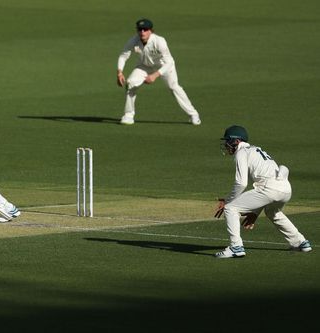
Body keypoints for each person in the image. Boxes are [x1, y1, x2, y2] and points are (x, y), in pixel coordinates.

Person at [214, 125, 312, 258]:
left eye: (228, 141)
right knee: (273, 212)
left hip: (270, 188)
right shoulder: (256, 149)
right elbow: (263, 192)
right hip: (285, 188)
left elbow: (241, 183)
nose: (226, 144)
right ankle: (300, 242)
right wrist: (255, 212)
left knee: (231, 209)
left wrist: (227, 201)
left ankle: (236, 247)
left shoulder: (241, 153)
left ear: (236, 141)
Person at [116, 18, 201, 126]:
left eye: (145, 29)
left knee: (174, 87)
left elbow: (170, 62)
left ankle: (193, 114)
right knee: (130, 83)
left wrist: (155, 76)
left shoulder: (159, 41)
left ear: (151, 31)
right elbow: (123, 56)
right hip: (144, 66)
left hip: (163, 66)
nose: (142, 32)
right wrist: (119, 72)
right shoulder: (133, 41)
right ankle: (128, 115)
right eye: (140, 29)